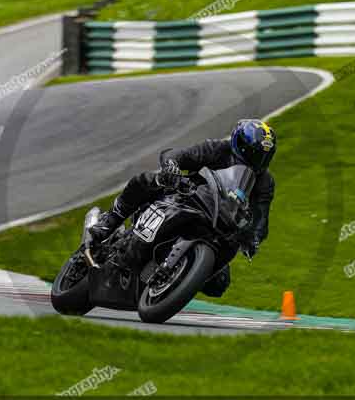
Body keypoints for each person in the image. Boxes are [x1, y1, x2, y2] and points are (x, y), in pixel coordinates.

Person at [88, 119, 277, 297]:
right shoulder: (217, 149)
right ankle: (110, 221)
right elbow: (178, 156)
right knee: (146, 181)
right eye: (254, 154)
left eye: (264, 157)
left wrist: (252, 238)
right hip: (186, 197)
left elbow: (262, 218)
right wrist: (172, 168)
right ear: (240, 145)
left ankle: (176, 281)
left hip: (220, 223)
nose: (258, 161)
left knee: (219, 284)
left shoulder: (265, 182)